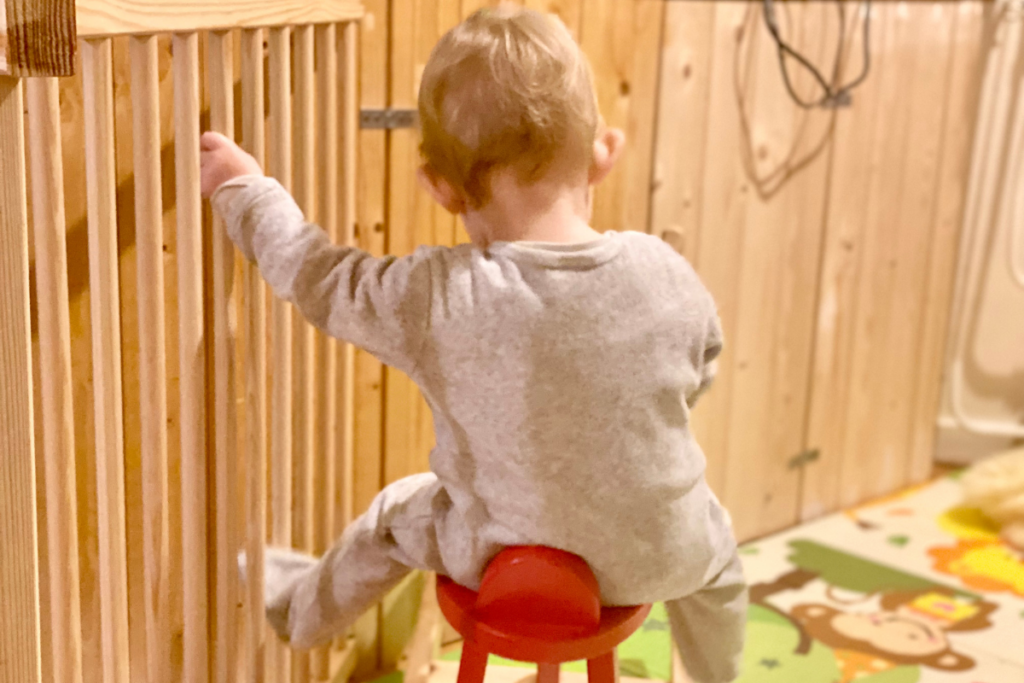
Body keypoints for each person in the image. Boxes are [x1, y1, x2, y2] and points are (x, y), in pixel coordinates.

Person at [200, 7, 746, 682]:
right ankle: (720, 673)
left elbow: (321, 279)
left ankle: (298, 610)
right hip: (654, 552)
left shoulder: (438, 295)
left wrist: (245, 190)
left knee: (396, 512)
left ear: (443, 189)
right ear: (603, 153)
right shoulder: (667, 272)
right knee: (715, 548)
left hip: (500, 557)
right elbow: (704, 366)